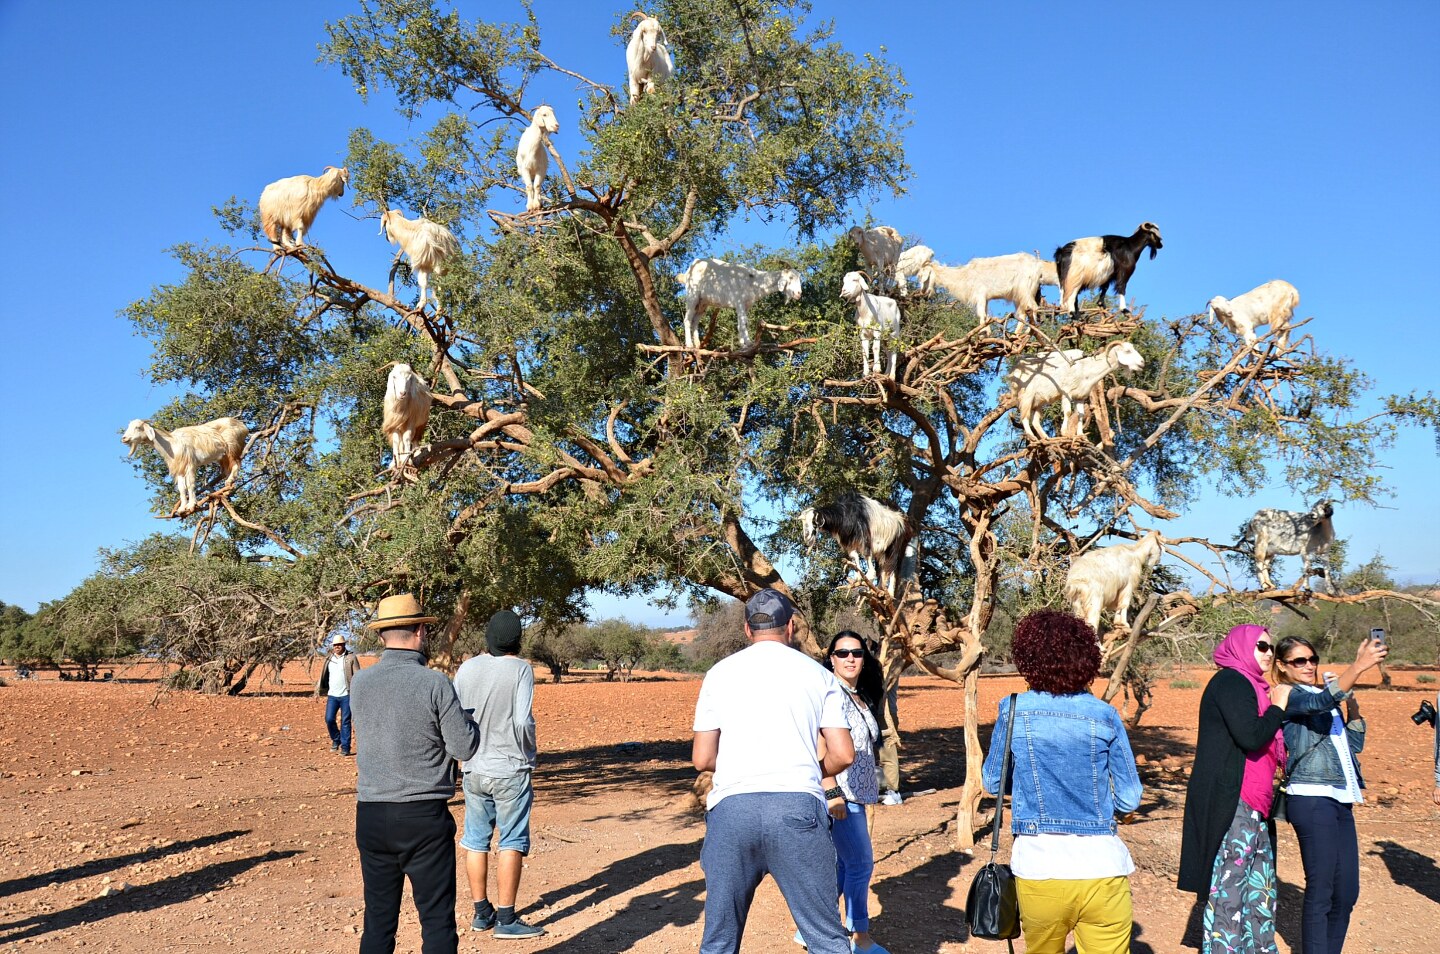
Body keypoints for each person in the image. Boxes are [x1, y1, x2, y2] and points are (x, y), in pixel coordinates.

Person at [692, 589, 855, 954]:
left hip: (733, 811)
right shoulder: (818, 675)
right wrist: (811, 767)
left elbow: (703, 758)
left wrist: (743, 760)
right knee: (826, 937)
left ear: (747, 629)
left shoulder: (718, 674)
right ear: (791, 627)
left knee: (719, 938)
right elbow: (843, 754)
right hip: (797, 809)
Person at [980, 609, 1143, 954]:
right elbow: (1129, 799)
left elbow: (993, 783)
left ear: (1027, 659)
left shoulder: (1013, 709)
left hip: (1040, 868)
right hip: (1103, 869)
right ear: (1087, 658)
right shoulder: (1105, 714)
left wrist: (1028, 784)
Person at [350, 593, 480, 954]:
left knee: (377, 923)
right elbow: (465, 747)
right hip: (423, 816)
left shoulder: (360, 683)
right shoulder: (434, 683)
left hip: (372, 814)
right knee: (437, 922)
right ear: (421, 631)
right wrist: (469, 722)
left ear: (381, 636)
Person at [1269, 635, 1388, 954]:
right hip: (1310, 797)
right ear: (1282, 666)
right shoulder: (1288, 696)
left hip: (1340, 799)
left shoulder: (1325, 696)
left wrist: (1351, 704)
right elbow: (1316, 705)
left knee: (1346, 892)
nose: (1309, 665)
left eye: (1312, 659)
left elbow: (1354, 745)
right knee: (1321, 890)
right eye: (1299, 661)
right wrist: (1359, 666)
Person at [1179, 624, 1287, 953]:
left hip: (1252, 801)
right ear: (1242, 647)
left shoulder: (1251, 686)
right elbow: (1251, 736)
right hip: (1234, 800)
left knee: (1259, 888)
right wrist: (1278, 708)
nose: (1268, 653)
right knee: (1231, 890)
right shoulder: (1232, 682)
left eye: (1271, 647)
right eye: (1261, 646)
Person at [452, 610, 544, 940]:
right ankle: (506, 919)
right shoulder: (521, 670)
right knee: (512, 840)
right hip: (510, 769)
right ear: (517, 639)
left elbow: (455, 716)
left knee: (475, 840)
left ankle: (481, 913)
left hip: (474, 768)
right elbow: (522, 722)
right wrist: (529, 751)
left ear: (488, 637)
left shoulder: (467, 668)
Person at [816, 631, 888, 954]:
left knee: (845, 866)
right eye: (842, 653)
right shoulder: (828, 693)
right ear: (831, 658)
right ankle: (860, 936)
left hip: (858, 793)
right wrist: (831, 789)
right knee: (860, 863)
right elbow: (817, 741)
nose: (850, 658)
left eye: (856, 653)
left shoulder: (857, 694)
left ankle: (813, 928)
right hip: (840, 794)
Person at [316, 633, 360, 756]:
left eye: (339, 644)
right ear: (333, 646)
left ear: (344, 645)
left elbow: (357, 675)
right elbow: (324, 675)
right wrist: (321, 689)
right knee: (329, 719)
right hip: (332, 695)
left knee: (345, 721)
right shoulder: (329, 659)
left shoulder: (351, 658)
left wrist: (357, 691)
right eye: (335, 645)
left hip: (347, 694)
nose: (337, 647)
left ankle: (345, 747)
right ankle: (336, 739)